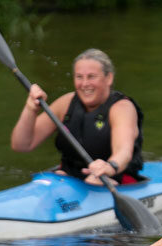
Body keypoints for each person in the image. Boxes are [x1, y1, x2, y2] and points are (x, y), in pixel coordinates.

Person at [10, 48, 144, 185]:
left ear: (108, 78)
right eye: (79, 77)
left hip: (113, 179)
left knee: (94, 181)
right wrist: (30, 109)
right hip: (69, 177)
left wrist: (110, 167)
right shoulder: (65, 103)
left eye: (91, 76)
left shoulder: (122, 108)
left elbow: (124, 151)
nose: (85, 84)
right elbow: (21, 145)